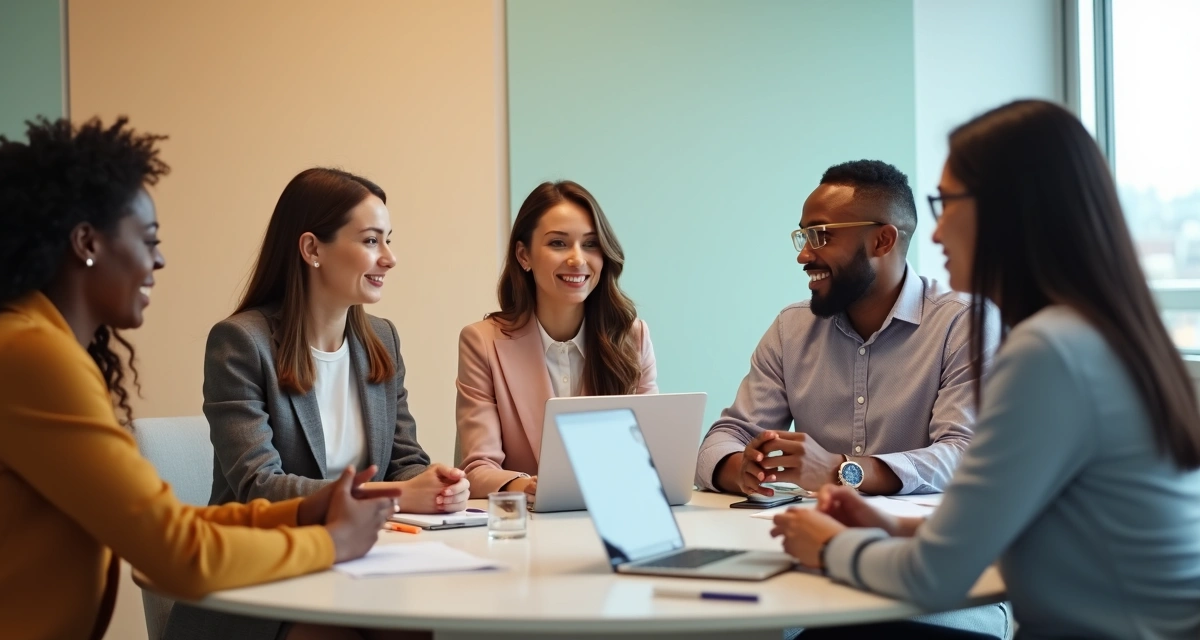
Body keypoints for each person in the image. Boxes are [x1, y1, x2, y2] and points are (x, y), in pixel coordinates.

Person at [771, 100, 1200, 639]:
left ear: (1009, 211)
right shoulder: (1099, 335)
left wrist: (830, 546)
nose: (933, 234)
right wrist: (891, 527)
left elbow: (934, 578)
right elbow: (1007, 527)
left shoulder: (1050, 352)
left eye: (946, 203)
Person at [0, 117, 395, 640]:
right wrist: (332, 542)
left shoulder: (31, 344)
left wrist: (304, 510)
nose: (158, 260)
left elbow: (171, 524)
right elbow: (174, 551)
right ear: (87, 242)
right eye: (147, 240)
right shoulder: (32, 357)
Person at [166, 167, 465, 640]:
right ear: (312, 249)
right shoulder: (241, 343)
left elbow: (405, 461)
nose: (389, 258)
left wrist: (440, 486)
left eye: (388, 240)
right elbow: (259, 486)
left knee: (422, 629)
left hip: (360, 565)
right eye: (371, 240)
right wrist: (396, 495)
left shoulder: (381, 340)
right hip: (262, 579)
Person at [696, 160, 998, 498]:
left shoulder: (963, 323)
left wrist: (840, 471)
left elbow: (963, 453)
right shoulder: (790, 328)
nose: (804, 256)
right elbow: (723, 440)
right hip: (809, 524)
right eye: (804, 236)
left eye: (821, 236)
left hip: (923, 529)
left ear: (882, 241)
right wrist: (744, 469)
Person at [456, 180, 657, 499]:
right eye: (558, 243)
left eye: (590, 244)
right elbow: (478, 470)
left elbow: (652, 454)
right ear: (524, 255)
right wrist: (528, 486)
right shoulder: (482, 342)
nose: (577, 259)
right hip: (529, 521)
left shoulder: (633, 337)